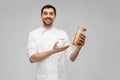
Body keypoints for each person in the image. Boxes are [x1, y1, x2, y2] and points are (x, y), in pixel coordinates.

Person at [27, 5, 86, 80]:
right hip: (42, 78)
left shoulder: (62, 33)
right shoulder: (34, 34)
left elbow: (71, 58)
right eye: (45, 13)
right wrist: (52, 51)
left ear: (55, 16)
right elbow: (32, 59)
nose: (48, 16)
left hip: (60, 77)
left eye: (51, 14)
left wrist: (78, 48)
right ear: (41, 16)